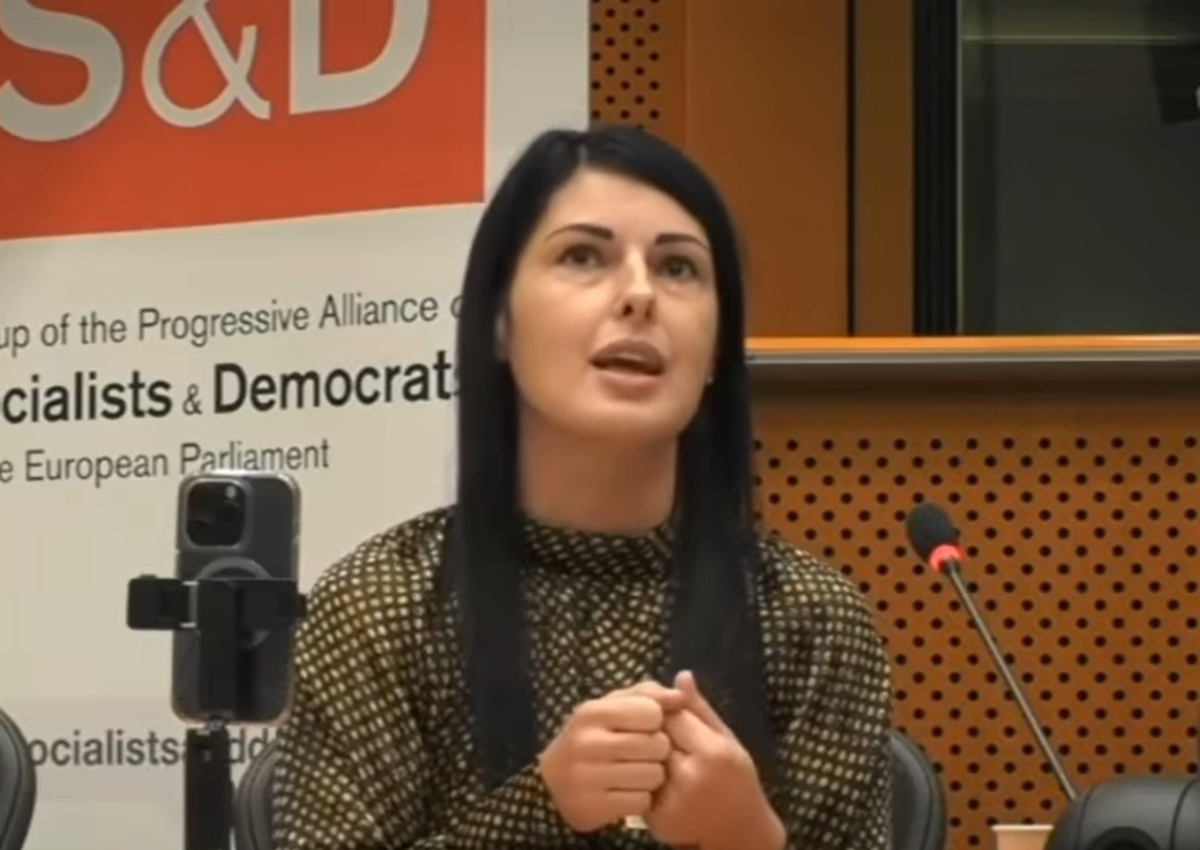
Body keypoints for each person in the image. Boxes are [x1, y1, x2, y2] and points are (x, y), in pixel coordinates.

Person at [271, 125, 893, 850]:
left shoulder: (808, 616)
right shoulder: (384, 602)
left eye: (679, 268)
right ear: (499, 323)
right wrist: (544, 805)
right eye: (583, 256)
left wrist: (746, 836)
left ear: (717, 350)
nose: (639, 296)